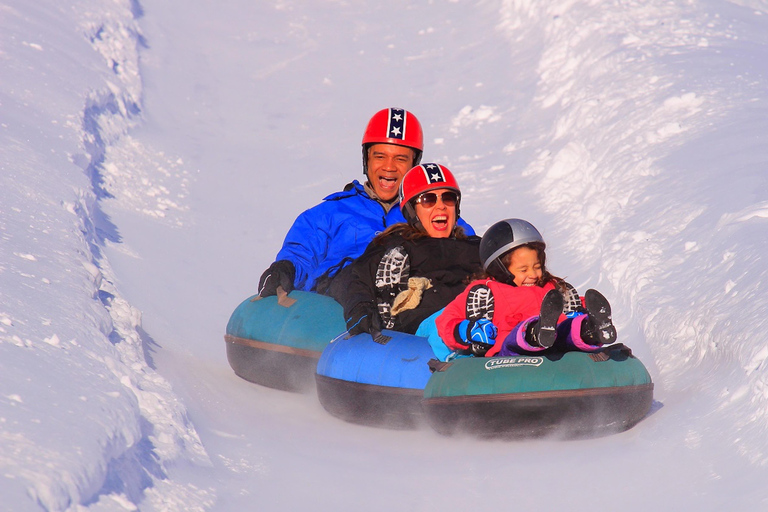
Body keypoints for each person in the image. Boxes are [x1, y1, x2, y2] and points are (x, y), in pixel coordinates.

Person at [257, 108, 475, 297]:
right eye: (380, 156)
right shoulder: (331, 213)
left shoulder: (433, 213)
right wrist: (285, 270)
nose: (389, 167)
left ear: (414, 165)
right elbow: (302, 254)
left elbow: (469, 256)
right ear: (366, 160)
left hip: (411, 307)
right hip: (336, 306)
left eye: (400, 159)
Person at [435, 218, 617, 359]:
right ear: (500, 269)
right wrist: (466, 330)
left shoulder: (550, 287)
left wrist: (583, 309)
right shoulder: (485, 291)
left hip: (557, 345)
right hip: (507, 353)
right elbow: (446, 319)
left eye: (537, 267)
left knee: (568, 328)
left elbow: (573, 302)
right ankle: (536, 332)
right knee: (519, 334)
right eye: (523, 270)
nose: (533, 274)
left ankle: (589, 330)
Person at [337, 163, 482, 338]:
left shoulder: (477, 247)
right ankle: (388, 302)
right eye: (428, 200)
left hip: (476, 311)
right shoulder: (397, 246)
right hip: (425, 319)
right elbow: (355, 277)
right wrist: (361, 310)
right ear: (412, 210)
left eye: (448, 198)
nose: (441, 206)